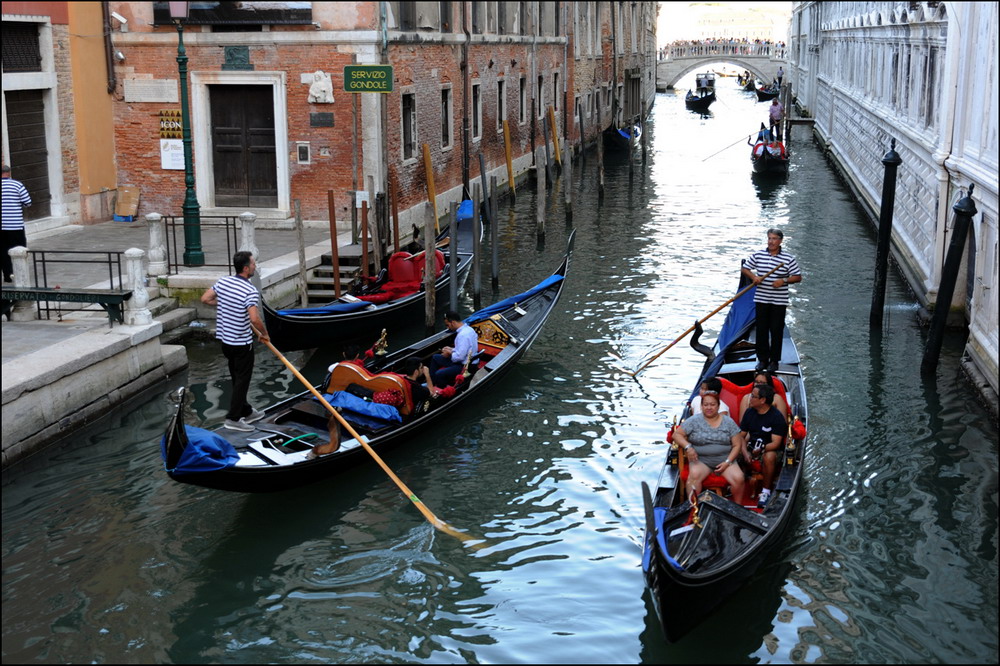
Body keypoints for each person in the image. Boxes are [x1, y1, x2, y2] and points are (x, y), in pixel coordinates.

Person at [200, 251, 269, 431]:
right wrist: (265, 334)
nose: (255, 266)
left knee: (236, 379)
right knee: (242, 381)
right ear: (246, 268)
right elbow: (254, 319)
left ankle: (246, 410)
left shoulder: (224, 282)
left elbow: (205, 298)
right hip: (241, 345)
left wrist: (225, 303)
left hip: (226, 343)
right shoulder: (250, 291)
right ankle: (233, 419)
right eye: (253, 264)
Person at [741, 228, 802, 374]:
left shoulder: (788, 259)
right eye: (769, 238)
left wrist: (783, 280)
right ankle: (762, 360)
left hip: (779, 301)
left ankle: (774, 361)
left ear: (780, 241)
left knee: (776, 330)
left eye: (774, 239)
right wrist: (754, 277)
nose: (771, 241)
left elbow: (798, 277)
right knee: (761, 330)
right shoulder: (759, 255)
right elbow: (745, 268)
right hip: (761, 299)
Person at [673, 392, 745, 502]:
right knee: (693, 477)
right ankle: (693, 509)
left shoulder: (728, 422)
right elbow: (676, 435)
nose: (709, 407)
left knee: (739, 478)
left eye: (712, 404)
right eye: (706, 405)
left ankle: (737, 508)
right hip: (701, 460)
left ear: (718, 406)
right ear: (701, 406)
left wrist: (727, 462)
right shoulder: (694, 420)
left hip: (725, 459)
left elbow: (737, 445)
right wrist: (688, 447)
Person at [739, 383, 787, 508]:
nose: (750, 398)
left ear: (762, 400)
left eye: (753, 396)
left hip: (768, 449)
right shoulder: (749, 412)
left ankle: (765, 491)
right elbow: (741, 436)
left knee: (769, 456)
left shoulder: (776, 417)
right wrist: (745, 452)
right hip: (750, 447)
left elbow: (775, 443)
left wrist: (761, 450)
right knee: (732, 447)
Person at [428, 309, 478, 387]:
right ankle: (431, 383)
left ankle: (443, 391)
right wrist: (451, 349)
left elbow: (459, 357)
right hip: (466, 360)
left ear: (453, 323)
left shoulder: (463, 335)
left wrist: (449, 353)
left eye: (448, 325)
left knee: (439, 374)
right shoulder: (469, 329)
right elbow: (464, 350)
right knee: (435, 358)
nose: (448, 328)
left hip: (465, 366)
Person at [2, 164, 32, 283]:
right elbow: (28, 202)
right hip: (15, 226)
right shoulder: (17, 185)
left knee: (3, 251)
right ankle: (20, 275)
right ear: (9, 173)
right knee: (19, 250)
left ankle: (7, 275)